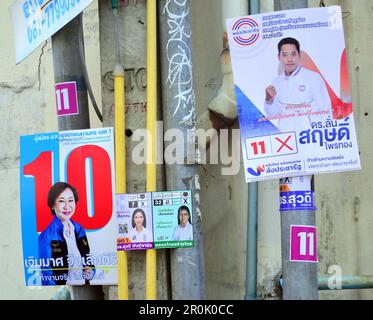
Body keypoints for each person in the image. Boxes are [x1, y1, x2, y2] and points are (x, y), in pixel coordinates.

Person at [264, 37, 332, 132]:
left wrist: (324, 134)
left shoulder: (313, 77)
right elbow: (272, 115)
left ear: (299, 55)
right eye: (285, 55)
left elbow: (326, 110)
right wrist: (269, 100)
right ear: (279, 57)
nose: (290, 59)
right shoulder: (277, 82)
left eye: (293, 54)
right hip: (286, 136)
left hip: (310, 135)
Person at [38, 182, 95, 286]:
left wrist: (90, 272)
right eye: (61, 201)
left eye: (70, 200)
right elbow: (46, 275)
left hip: (84, 288)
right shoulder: (46, 236)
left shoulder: (79, 229)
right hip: (65, 291)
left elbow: (88, 260)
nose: (67, 206)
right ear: (52, 205)